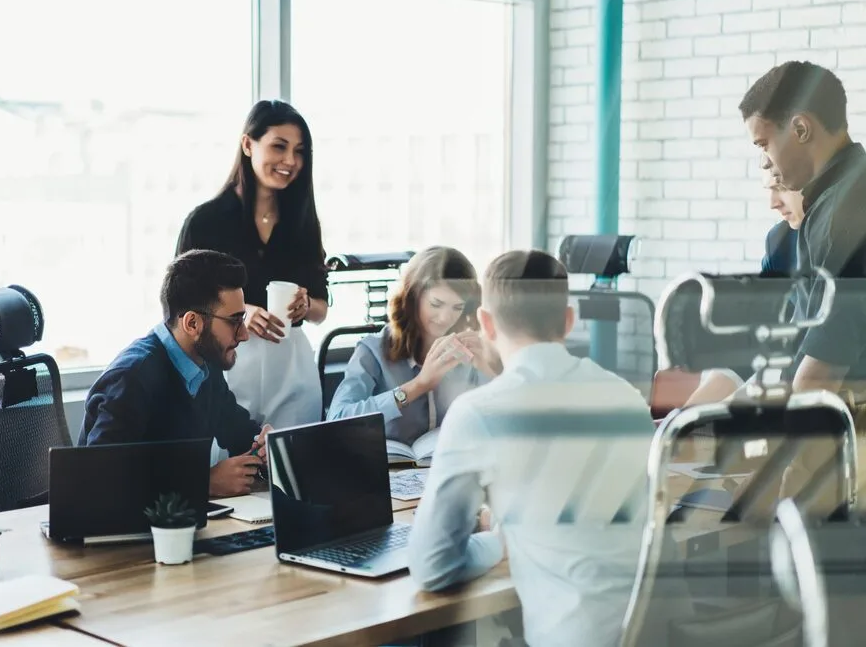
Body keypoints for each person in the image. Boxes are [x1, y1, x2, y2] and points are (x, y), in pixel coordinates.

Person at [408, 250, 654, 647]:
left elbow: (432, 566)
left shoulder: (478, 413)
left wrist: (498, 543)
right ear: (569, 321)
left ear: (485, 324)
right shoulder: (625, 396)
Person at [176, 100, 329, 430]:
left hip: (293, 372)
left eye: (299, 151)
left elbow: (322, 310)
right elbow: (180, 309)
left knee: (292, 473)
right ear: (248, 144)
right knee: (232, 474)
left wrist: (306, 305)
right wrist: (243, 312)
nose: (290, 161)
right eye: (279, 146)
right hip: (227, 367)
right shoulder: (206, 222)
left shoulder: (302, 223)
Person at [78, 250, 270, 498]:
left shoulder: (205, 365)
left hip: (182, 523)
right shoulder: (132, 377)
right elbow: (100, 481)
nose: (244, 334)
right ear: (192, 324)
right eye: (235, 321)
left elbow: (238, 431)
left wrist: (264, 443)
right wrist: (203, 483)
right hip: (126, 532)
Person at [740, 60, 866, 396]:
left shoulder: (840, 216)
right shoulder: (836, 200)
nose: (768, 163)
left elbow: (817, 379)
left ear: (800, 129)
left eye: (764, 144)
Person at [326, 246, 498, 446]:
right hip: (390, 470)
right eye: (436, 304)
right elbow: (337, 419)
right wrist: (418, 386)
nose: (445, 318)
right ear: (412, 297)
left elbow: (502, 420)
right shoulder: (372, 351)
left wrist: (489, 370)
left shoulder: (468, 351)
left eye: (457, 307)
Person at [683, 174, 805, 407]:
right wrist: (684, 418)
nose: (773, 202)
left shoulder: (848, 241)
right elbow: (758, 332)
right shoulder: (781, 240)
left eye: (781, 186)